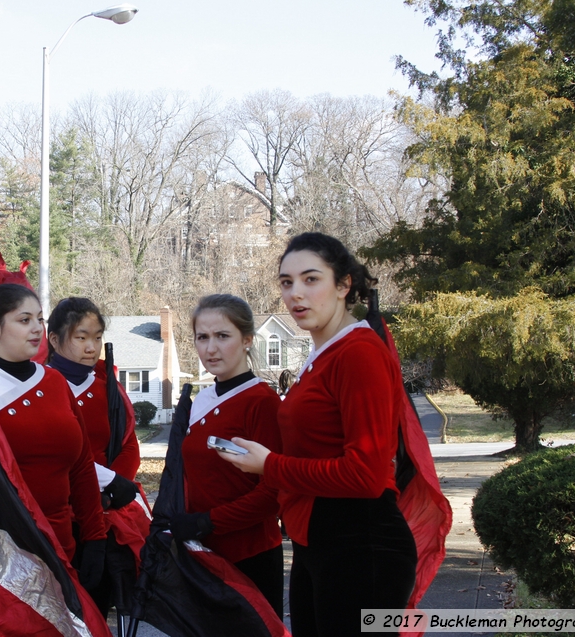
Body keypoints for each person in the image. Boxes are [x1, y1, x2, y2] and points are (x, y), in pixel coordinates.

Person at [221, 232, 418, 637]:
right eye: (287, 282)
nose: (297, 294)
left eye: (312, 280)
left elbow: (365, 474)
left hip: (361, 544)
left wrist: (269, 466)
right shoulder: (321, 355)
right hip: (318, 542)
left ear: (344, 285)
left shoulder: (358, 352)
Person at [0, 284, 108, 592]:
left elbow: (81, 468)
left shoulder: (53, 381)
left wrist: (95, 538)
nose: (37, 328)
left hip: (63, 545)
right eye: (24, 320)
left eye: (39, 319)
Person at [172, 294, 285, 616]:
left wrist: (209, 522)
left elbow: (274, 493)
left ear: (247, 339)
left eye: (223, 336)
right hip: (201, 554)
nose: (211, 348)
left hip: (251, 555)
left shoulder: (262, 402)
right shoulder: (200, 400)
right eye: (202, 337)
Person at [46, 297, 147, 615]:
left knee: (96, 612)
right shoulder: (40, 387)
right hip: (55, 516)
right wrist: (104, 480)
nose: (91, 346)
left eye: (97, 337)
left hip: (102, 517)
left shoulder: (109, 389)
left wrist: (116, 486)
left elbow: (128, 444)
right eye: (81, 337)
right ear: (54, 339)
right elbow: (51, 455)